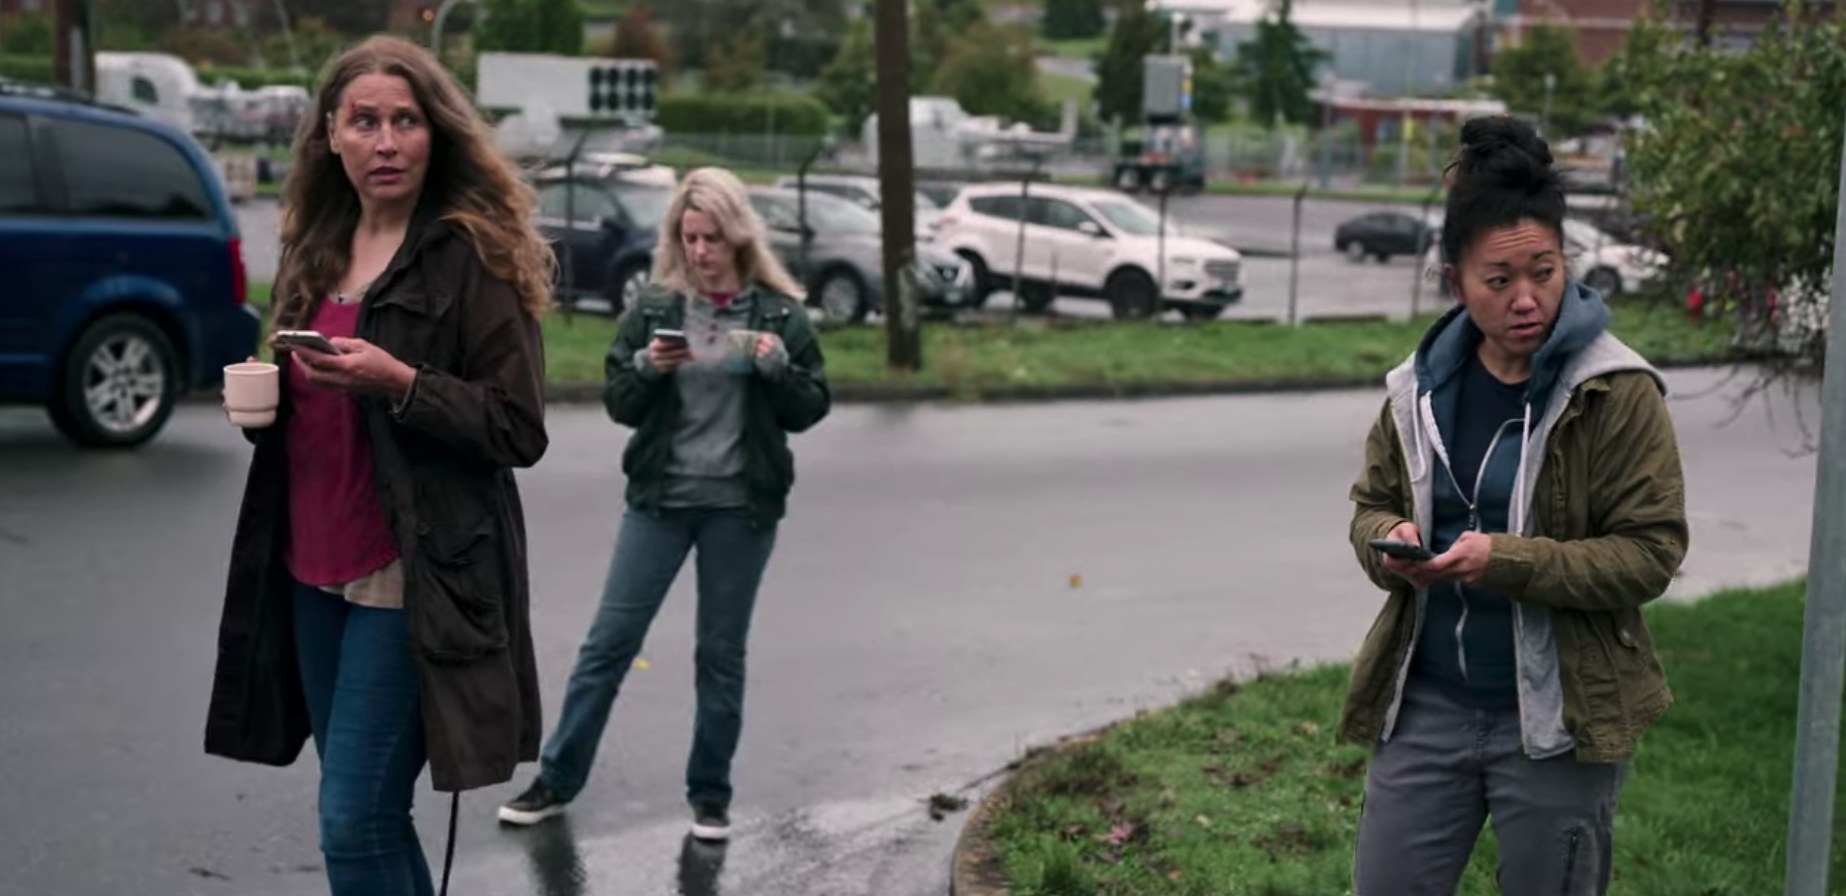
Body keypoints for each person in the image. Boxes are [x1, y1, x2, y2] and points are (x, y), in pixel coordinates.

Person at [204, 35, 553, 896]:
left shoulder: (473, 255)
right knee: (368, 816)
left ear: (436, 135)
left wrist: (399, 382)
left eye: (406, 120)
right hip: (306, 566)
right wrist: (264, 405)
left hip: (413, 571)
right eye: (366, 121)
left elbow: (518, 426)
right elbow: (307, 405)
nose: (387, 141)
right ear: (331, 134)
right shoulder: (314, 248)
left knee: (351, 822)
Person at [1342, 116, 1689, 896]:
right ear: (1457, 281)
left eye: (1545, 270)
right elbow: (1371, 505)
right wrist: (1387, 538)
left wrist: (1505, 560)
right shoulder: (1417, 388)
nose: (1526, 298)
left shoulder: (1616, 392)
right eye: (1500, 281)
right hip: (1425, 702)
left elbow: (1650, 553)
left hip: (1559, 719)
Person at [497, 167, 830, 841]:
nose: (701, 250)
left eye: (712, 237)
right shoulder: (655, 308)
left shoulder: (778, 315)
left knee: (720, 654)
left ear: (738, 237)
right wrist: (648, 366)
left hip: (740, 509)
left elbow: (811, 407)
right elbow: (619, 401)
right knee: (608, 645)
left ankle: (710, 795)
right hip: (658, 501)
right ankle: (555, 781)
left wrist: (776, 367)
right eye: (690, 236)